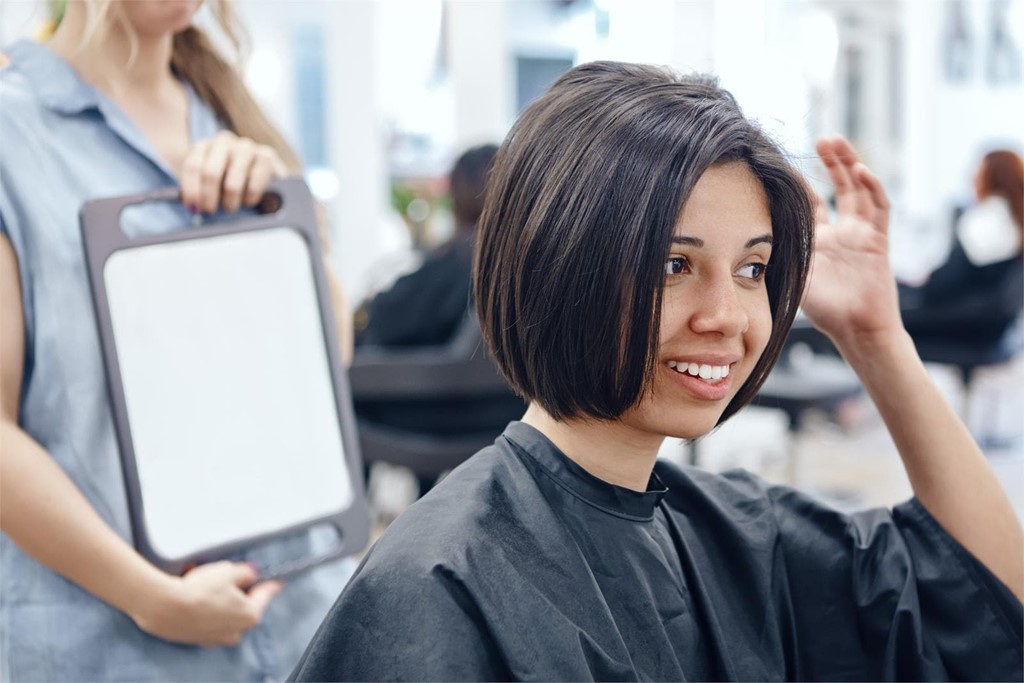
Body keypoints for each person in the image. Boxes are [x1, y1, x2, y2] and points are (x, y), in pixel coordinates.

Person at [291, 62, 1023, 681]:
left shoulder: (740, 534)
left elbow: (984, 599)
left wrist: (877, 336)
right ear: (562, 266)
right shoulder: (438, 587)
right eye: (676, 264)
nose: (728, 315)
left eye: (751, 268)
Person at [0, 1, 355, 680]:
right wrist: (149, 597)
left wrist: (275, 212)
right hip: (116, 643)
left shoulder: (228, 112)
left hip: (305, 614)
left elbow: (331, 361)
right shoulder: (14, 133)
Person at [356, 143, 499, 347]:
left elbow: (383, 316)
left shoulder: (458, 262)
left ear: (457, 195)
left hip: (412, 373)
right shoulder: (509, 264)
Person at [900, 149, 1024, 346]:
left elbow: (940, 289)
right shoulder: (1014, 219)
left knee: (886, 316)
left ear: (990, 178)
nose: (973, 181)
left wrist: (923, 282)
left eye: (977, 174)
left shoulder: (985, 221)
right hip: (993, 324)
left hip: (969, 323)